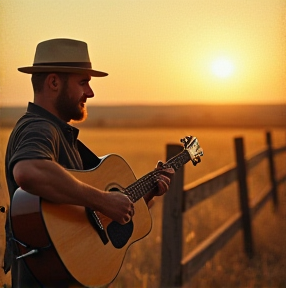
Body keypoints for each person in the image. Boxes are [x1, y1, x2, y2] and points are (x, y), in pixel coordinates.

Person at [4, 38, 175, 288]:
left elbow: (89, 219)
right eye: (83, 82)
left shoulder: (61, 134)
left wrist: (143, 194)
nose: (90, 92)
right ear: (53, 82)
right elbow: (28, 171)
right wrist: (104, 200)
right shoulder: (39, 128)